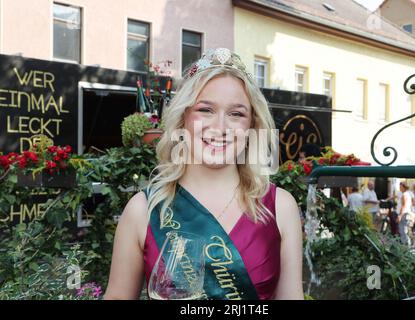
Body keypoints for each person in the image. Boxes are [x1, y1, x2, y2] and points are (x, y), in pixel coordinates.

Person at [104, 48, 304, 300]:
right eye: (205, 110)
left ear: (252, 125)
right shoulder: (144, 209)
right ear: (183, 118)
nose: (220, 127)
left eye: (236, 114)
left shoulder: (279, 207)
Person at [397, 182, 415, 247]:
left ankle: (405, 247)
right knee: (407, 231)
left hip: (405, 214)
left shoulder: (404, 194)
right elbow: (412, 204)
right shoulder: (408, 194)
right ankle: (409, 245)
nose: (399, 188)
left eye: (400, 187)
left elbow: (404, 206)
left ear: (403, 187)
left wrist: (400, 215)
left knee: (403, 231)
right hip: (408, 213)